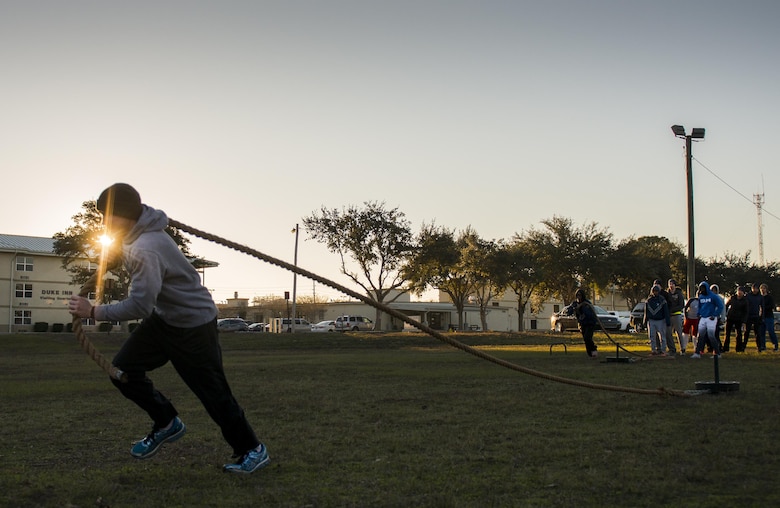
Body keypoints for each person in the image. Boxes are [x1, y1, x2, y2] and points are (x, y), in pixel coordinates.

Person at [68, 183, 269, 474]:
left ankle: (253, 449)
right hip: (165, 320)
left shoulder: (146, 248)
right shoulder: (137, 231)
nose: (103, 223)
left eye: (106, 217)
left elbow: (139, 307)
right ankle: (166, 421)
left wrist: (94, 311)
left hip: (193, 325)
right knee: (123, 371)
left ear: (124, 215)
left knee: (212, 393)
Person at [691, 281, 725, 358]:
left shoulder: (713, 296)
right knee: (700, 336)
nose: (702, 290)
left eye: (703, 288)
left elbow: (720, 306)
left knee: (711, 336)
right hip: (703, 317)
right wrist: (698, 314)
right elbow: (699, 306)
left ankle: (717, 353)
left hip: (711, 318)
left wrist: (715, 314)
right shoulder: (701, 297)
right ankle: (697, 353)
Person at [564, 288, 599, 358]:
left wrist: (581, 308)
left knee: (587, 337)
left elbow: (589, 314)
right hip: (582, 324)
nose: (579, 297)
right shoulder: (575, 303)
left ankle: (594, 350)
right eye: (577, 295)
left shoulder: (587, 304)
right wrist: (572, 309)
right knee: (585, 339)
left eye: (580, 295)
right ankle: (590, 354)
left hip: (590, 323)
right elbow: (568, 311)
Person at [644, 284, 670, 356]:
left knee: (662, 336)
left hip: (661, 320)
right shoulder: (648, 300)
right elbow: (646, 311)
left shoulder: (662, 300)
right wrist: (645, 320)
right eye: (654, 291)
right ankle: (653, 350)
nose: (655, 293)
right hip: (651, 320)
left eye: (656, 291)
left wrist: (667, 321)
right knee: (652, 336)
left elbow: (666, 311)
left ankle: (663, 350)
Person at [724, 286, 749, 352]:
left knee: (739, 334)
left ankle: (738, 348)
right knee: (727, 334)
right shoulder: (732, 298)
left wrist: (744, 321)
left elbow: (746, 312)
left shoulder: (745, 301)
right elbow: (726, 306)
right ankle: (725, 348)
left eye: (741, 291)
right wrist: (725, 315)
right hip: (730, 317)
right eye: (738, 291)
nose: (739, 292)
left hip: (739, 319)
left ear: (743, 293)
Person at [666, 279, 686, 355]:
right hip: (669, 316)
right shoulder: (667, 294)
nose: (671, 285)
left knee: (679, 333)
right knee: (668, 333)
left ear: (675, 285)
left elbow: (681, 305)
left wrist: (672, 309)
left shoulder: (679, 293)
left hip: (677, 315)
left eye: (672, 284)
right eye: (669, 284)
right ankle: (672, 349)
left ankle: (682, 348)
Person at [744, 283, 765, 352]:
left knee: (757, 333)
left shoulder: (760, 297)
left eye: (756, 288)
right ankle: (743, 346)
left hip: (756, 316)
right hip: (748, 316)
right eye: (754, 288)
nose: (755, 290)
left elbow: (762, 307)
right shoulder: (747, 296)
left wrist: (761, 317)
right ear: (752, 289)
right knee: (746, 332)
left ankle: (759, 347)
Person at [759, 284, 778, 351]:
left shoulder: (769, 298)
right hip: (761, 317)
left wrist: (764, 308)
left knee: (771, 332)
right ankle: (762, 346)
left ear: (766, 289)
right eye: (761, 288)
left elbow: (772, 306)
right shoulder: (759, 298)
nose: (762, 290)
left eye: (763, 288)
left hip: (769, 317)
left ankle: (775, 345)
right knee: (761, 333)